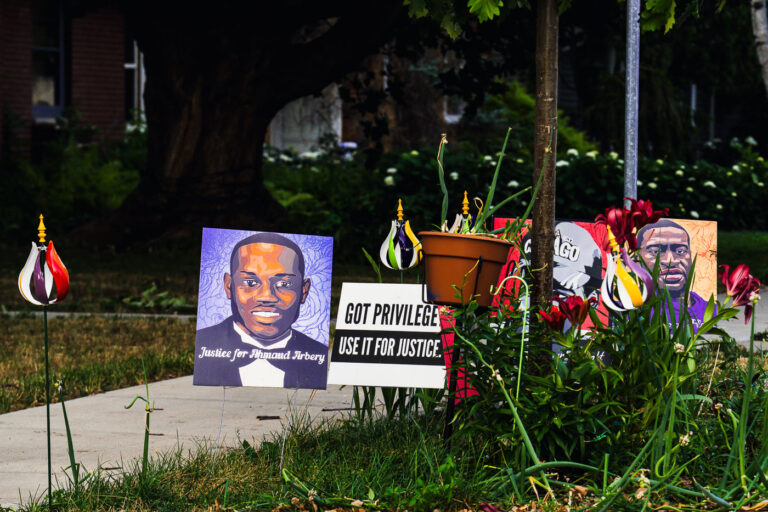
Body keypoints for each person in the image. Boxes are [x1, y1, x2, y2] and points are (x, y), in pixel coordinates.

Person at [194, 232, 328, 388]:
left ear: (304, 291)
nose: (267, 297)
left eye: (284, 285)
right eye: (250, 283)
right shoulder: (205, 344)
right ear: (228, 286)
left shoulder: (318, 356)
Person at [637, 219, 708, 331]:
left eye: (680, 251)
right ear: (636, 260)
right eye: (655, 252)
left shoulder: (711, 310)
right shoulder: (625, 310)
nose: (671, 260)